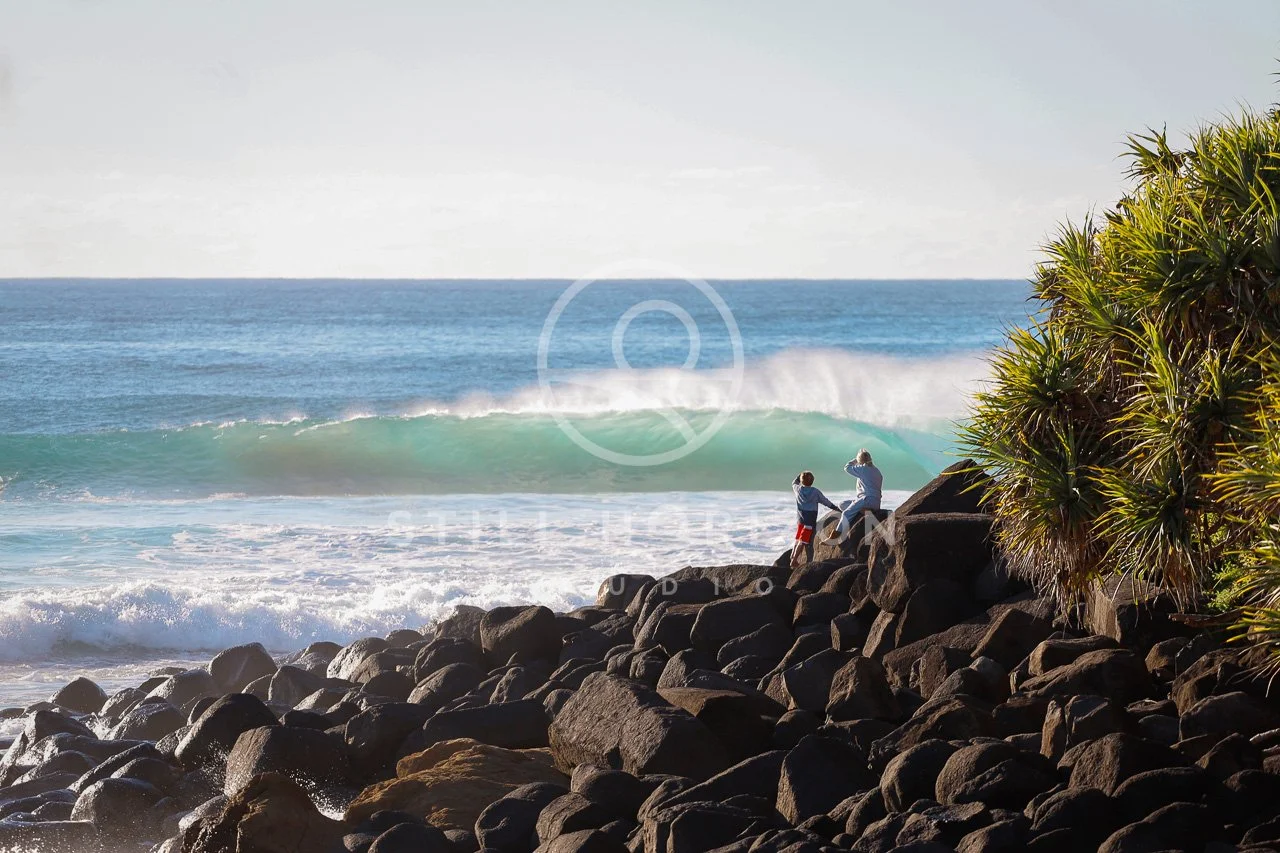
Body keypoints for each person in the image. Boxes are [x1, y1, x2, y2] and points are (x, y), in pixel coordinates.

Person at [791, 470, 840, 568]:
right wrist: (835, 508)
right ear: (812, 481)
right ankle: (794, 560)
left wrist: (799, 475)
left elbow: (793, 482)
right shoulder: (815, 491)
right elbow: (825, 501)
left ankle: (792, 556)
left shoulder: (797, 489)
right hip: (809, 520)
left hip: (800, 519)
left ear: (801, 481)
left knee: (798, 538)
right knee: (803, 540)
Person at [837, 449, 883, 538]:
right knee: (842, 504)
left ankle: (837, 533)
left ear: (860, 460)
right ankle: (864, 510)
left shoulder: (863, 469)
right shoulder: (877, 471)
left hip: (866, 500)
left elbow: (847, 467)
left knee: (847, 513)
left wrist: (856, 460)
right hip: (876, 503)